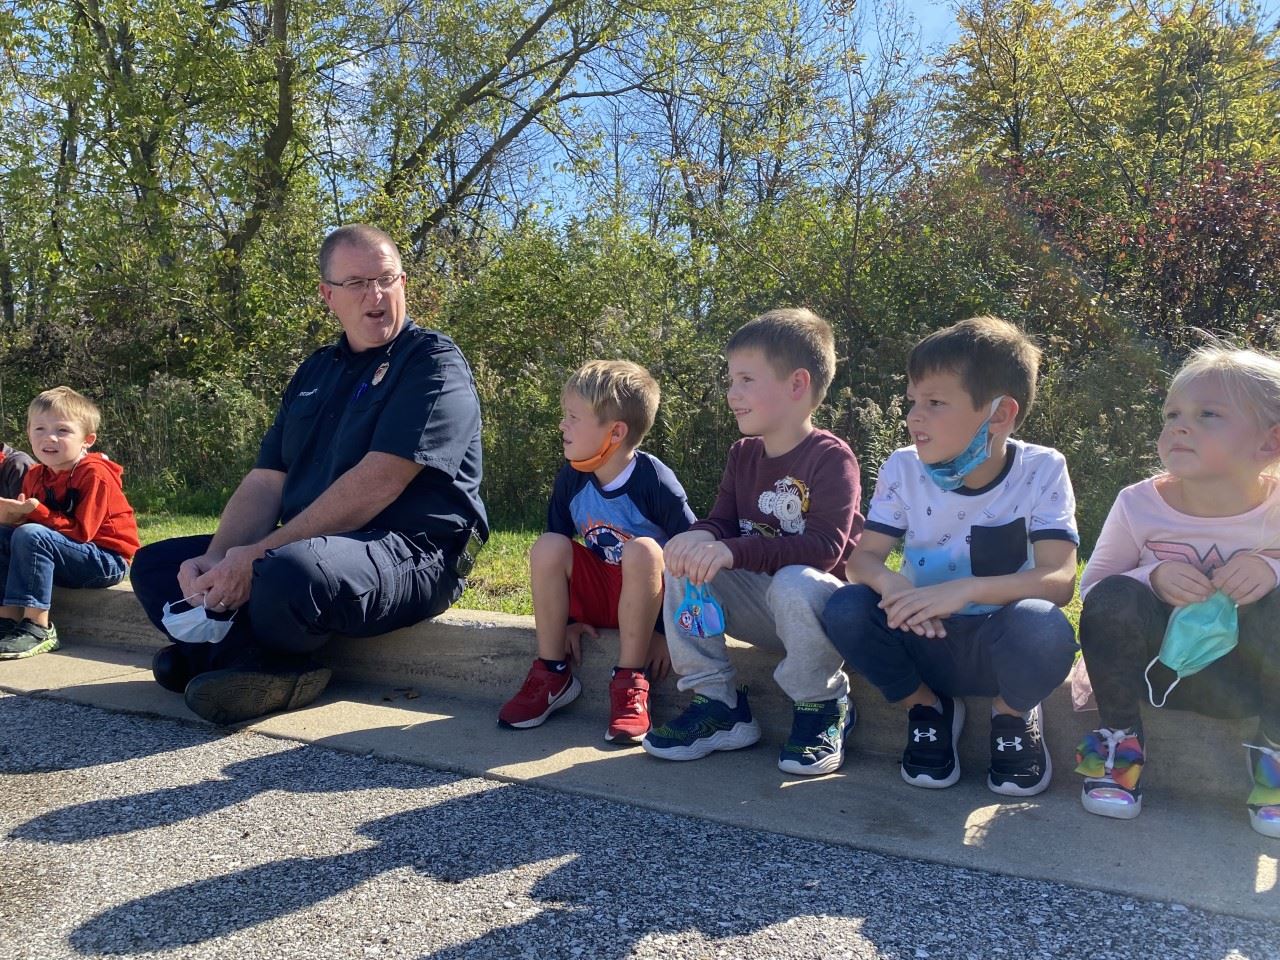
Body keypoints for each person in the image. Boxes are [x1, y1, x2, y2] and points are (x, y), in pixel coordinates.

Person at [130, 224, 487, 724]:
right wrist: (217, 555)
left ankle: (252, 663)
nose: (376, 295)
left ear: (403, 282)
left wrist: (259, 554)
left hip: (416, 551)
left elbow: (380, 481)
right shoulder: (315, 372)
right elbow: (266, 481)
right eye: (356, 283)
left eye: (386, 279)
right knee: (156, 565)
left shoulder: (432, 364)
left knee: (288, 572)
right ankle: (243, 662)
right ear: (327, 295)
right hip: (319, 545)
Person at [822, 316, 1078, 796]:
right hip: (923, 637)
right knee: (845, 608)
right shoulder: (903, 467)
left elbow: (1060, 579)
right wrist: (893, 586)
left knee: (1044, 627)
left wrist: (964, 591)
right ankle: (927, 708)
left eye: (935, 403)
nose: (914, 417)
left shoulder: (1042, 469)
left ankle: (1012, 714)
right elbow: (862, 561)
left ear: (999, 415)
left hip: (999, 645)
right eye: (913, 401)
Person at [641, 308, 863, 776]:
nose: (731, 394)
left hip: (821, 615)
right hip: (765, 611)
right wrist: (698, 536)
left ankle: (823, 703)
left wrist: (731, 549)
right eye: (731, 380)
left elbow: (825, 549)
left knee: (795, 581)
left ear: (797, 384)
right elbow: (722, 521)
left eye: (745, 380)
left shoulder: (831, 458)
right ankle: (718, 706)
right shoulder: (743, 455)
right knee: (682, 560)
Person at [1073, 345, 1280, 838]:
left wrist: (1272, 568)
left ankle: (1274, 757)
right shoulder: (1139, 503)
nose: (1180, 427)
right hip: (1154, 675)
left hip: (1248, 682)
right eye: (1172, 415)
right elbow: (1094, 590)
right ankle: (1119, 745)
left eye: (1207, 414)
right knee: (1116, 596)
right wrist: (1153, 577)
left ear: (1270, 442)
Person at [497, 360, 696, 742]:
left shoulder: (655, 480)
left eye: (573, 417)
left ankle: (630, 681)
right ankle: (552, 673)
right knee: (549, 546)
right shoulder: (572, 477)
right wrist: (568, 620)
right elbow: (557, 554)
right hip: (601, 596)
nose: (562, 425)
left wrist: (667, 631)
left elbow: (692, 555)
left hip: (649, 602)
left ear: (616, 432)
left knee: (644, 550)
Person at [0, 387, 137, 659]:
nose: (49, 437)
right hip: (65, 554)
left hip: (105, 560)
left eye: (62, 430)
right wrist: (13, 516)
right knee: (5, 534)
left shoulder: (95, 474)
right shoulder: (35, 474)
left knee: (32, 534)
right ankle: (8, 620)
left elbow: (82, 533)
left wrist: (36, 513)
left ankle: (38, 627)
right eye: (39, 429)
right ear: (28, 433)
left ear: (87, 439)